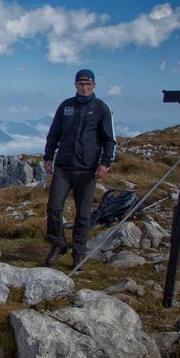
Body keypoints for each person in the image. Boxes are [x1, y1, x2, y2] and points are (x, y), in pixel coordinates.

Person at [42, 69, 116, 270]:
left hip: (88, 169)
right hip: (63, 167)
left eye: (88, 84)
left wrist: (105, 163)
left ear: (94, 85)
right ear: (75, 84)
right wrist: (48, 156)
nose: (85, 87)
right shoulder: (66, 106)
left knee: (83, 214)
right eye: (81, 83)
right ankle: (58, 244)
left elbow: (109, 140)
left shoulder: (101, 108)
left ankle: (79, 252)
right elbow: (53, 133)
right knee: (54, 207)